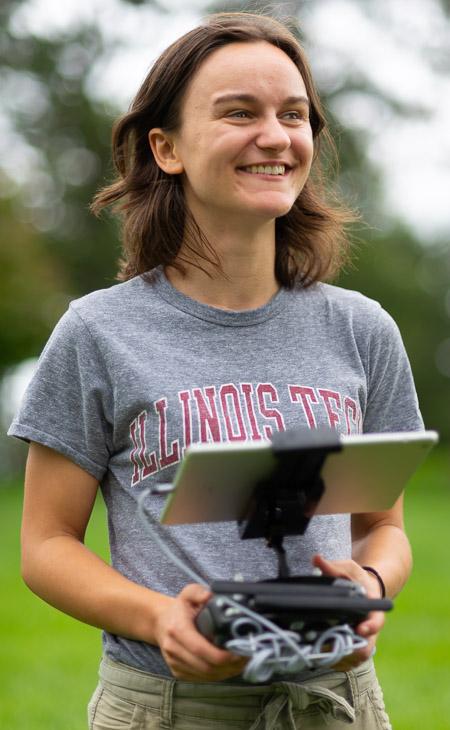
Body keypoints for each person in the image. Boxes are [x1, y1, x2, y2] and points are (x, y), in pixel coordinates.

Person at [9, 11, 423, 729]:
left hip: (337, 705)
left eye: (292, 115)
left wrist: (371, 579)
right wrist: (161, 618)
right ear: (165, 148)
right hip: (167, 707)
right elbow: (45, 546)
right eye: (240, 112)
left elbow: (384, 525)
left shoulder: (361, 329)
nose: (275, 135)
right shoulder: (99, 332)